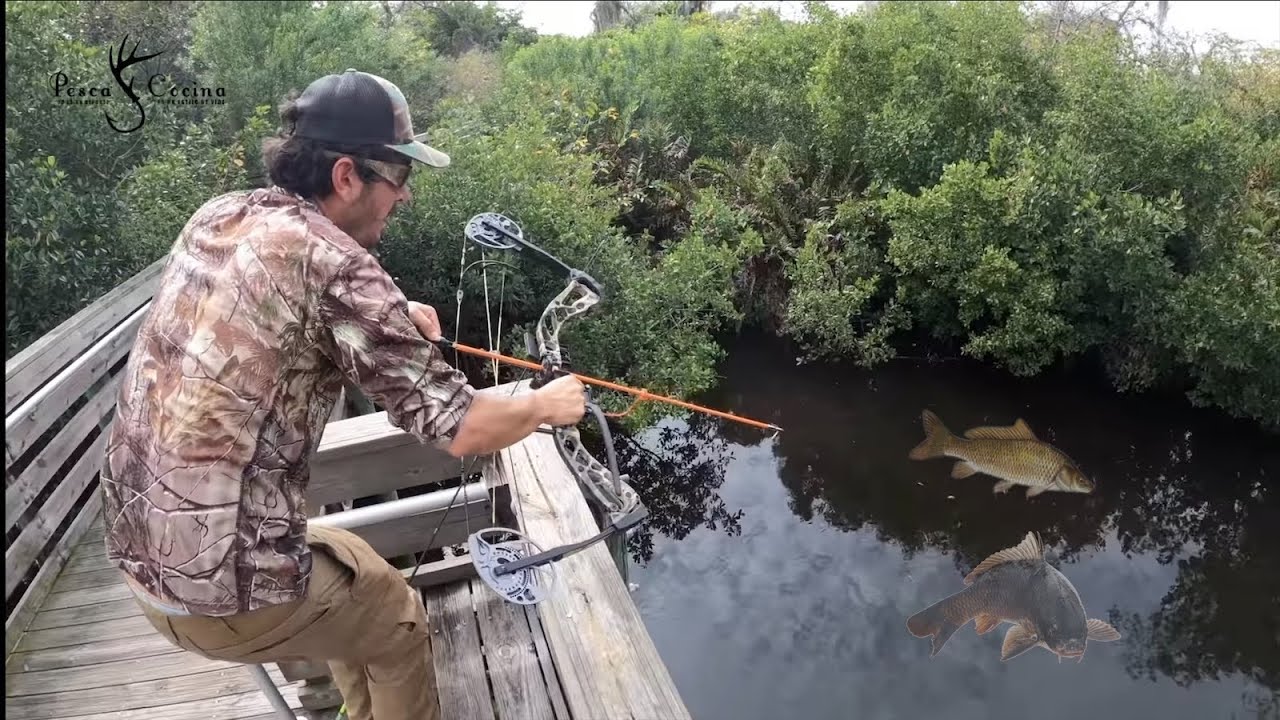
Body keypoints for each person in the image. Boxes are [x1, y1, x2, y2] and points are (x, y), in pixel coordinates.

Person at [99, 69, 588, 720]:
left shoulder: (221, 214)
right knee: (401, 623)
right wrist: (546, 405)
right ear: (346, 177)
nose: (405, 198)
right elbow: (463, 428)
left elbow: (269, 306)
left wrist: (387, 317)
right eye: (399, 178)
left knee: (357, 563)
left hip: (139, 561)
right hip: (218, 595)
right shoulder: (340, 267)